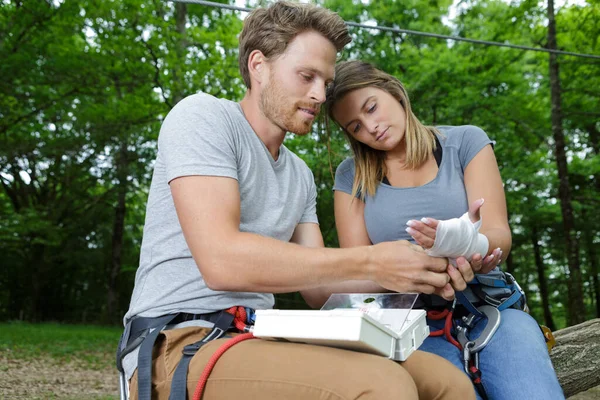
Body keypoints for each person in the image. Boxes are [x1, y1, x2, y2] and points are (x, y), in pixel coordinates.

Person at [117, 2, 481, 400]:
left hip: (261, 335)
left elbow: (320, 290)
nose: (319, 95)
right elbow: (221, 261)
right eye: (307, 76)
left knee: (447, 382)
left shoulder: (298, 175)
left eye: (325, 82)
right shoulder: (203, 117)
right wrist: (371, 260)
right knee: (383, 387)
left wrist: (425, 266)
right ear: (259, 65)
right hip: (177, 341)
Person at [324, 60, 565, 400]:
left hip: (489, 306)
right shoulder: (351, 176)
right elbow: (359, 269)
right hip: (407, 324)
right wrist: (414, 267)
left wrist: (468, 245)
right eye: (356, 127)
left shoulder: (466, 141)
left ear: (394, 91)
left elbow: (499, 233)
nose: (371, 127)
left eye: (372, 108)